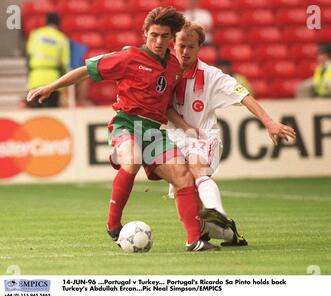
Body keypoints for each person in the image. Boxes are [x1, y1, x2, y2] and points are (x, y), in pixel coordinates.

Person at [27, 7, 219, 252]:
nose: (159, 41)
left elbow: (167, 106)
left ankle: (194, 241)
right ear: (145, 34)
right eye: (154, 35)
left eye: (164, 36)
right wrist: (51, 86)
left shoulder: (173, 66)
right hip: (126, 123)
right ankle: (113, 224)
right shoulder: (129, 57)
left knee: (183, 176)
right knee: (132, 159)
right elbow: (87, 70)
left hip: (153, 132)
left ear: (171, 38)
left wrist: (187, 128)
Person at [166, 21, 296, 245]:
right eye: (181, 46)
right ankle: (228, 233)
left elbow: (243, 96)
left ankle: (216, 210)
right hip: (176, 138)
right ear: (173, 44)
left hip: (203, 136)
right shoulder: (164, 71)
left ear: (199, 48)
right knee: (190, 214)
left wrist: (269, 122)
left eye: (191, 47)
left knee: (197, 168)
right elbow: (164, 106)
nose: (185, 52)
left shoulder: (212, 76)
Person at [26, 12, 70, 108]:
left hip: (35, 78)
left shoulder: (35, 34)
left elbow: (29, 55)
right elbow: (65, 63)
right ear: (59, 23)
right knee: (52, 112)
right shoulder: (62, 38)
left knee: (35, 113)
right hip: (53, 81)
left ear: (46, 22)